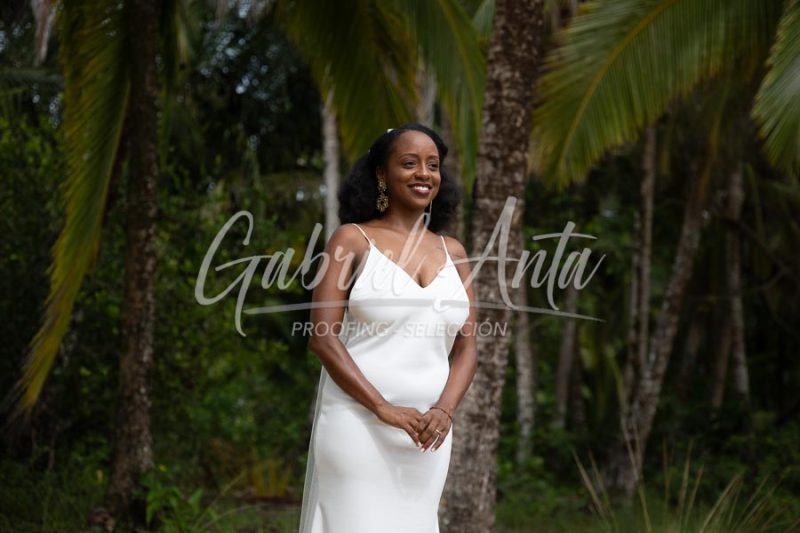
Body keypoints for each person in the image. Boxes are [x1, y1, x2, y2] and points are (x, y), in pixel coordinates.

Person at [298, 123, 478, 532]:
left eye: (433, 165)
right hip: (357, 425)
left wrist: (444, 411)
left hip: (427, 436)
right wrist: (383, 408)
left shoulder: (454, 252)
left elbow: (467, 349)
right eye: (409, 163)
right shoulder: (352, 240)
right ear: (382, 173)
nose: (424, 173)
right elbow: (322, 337)